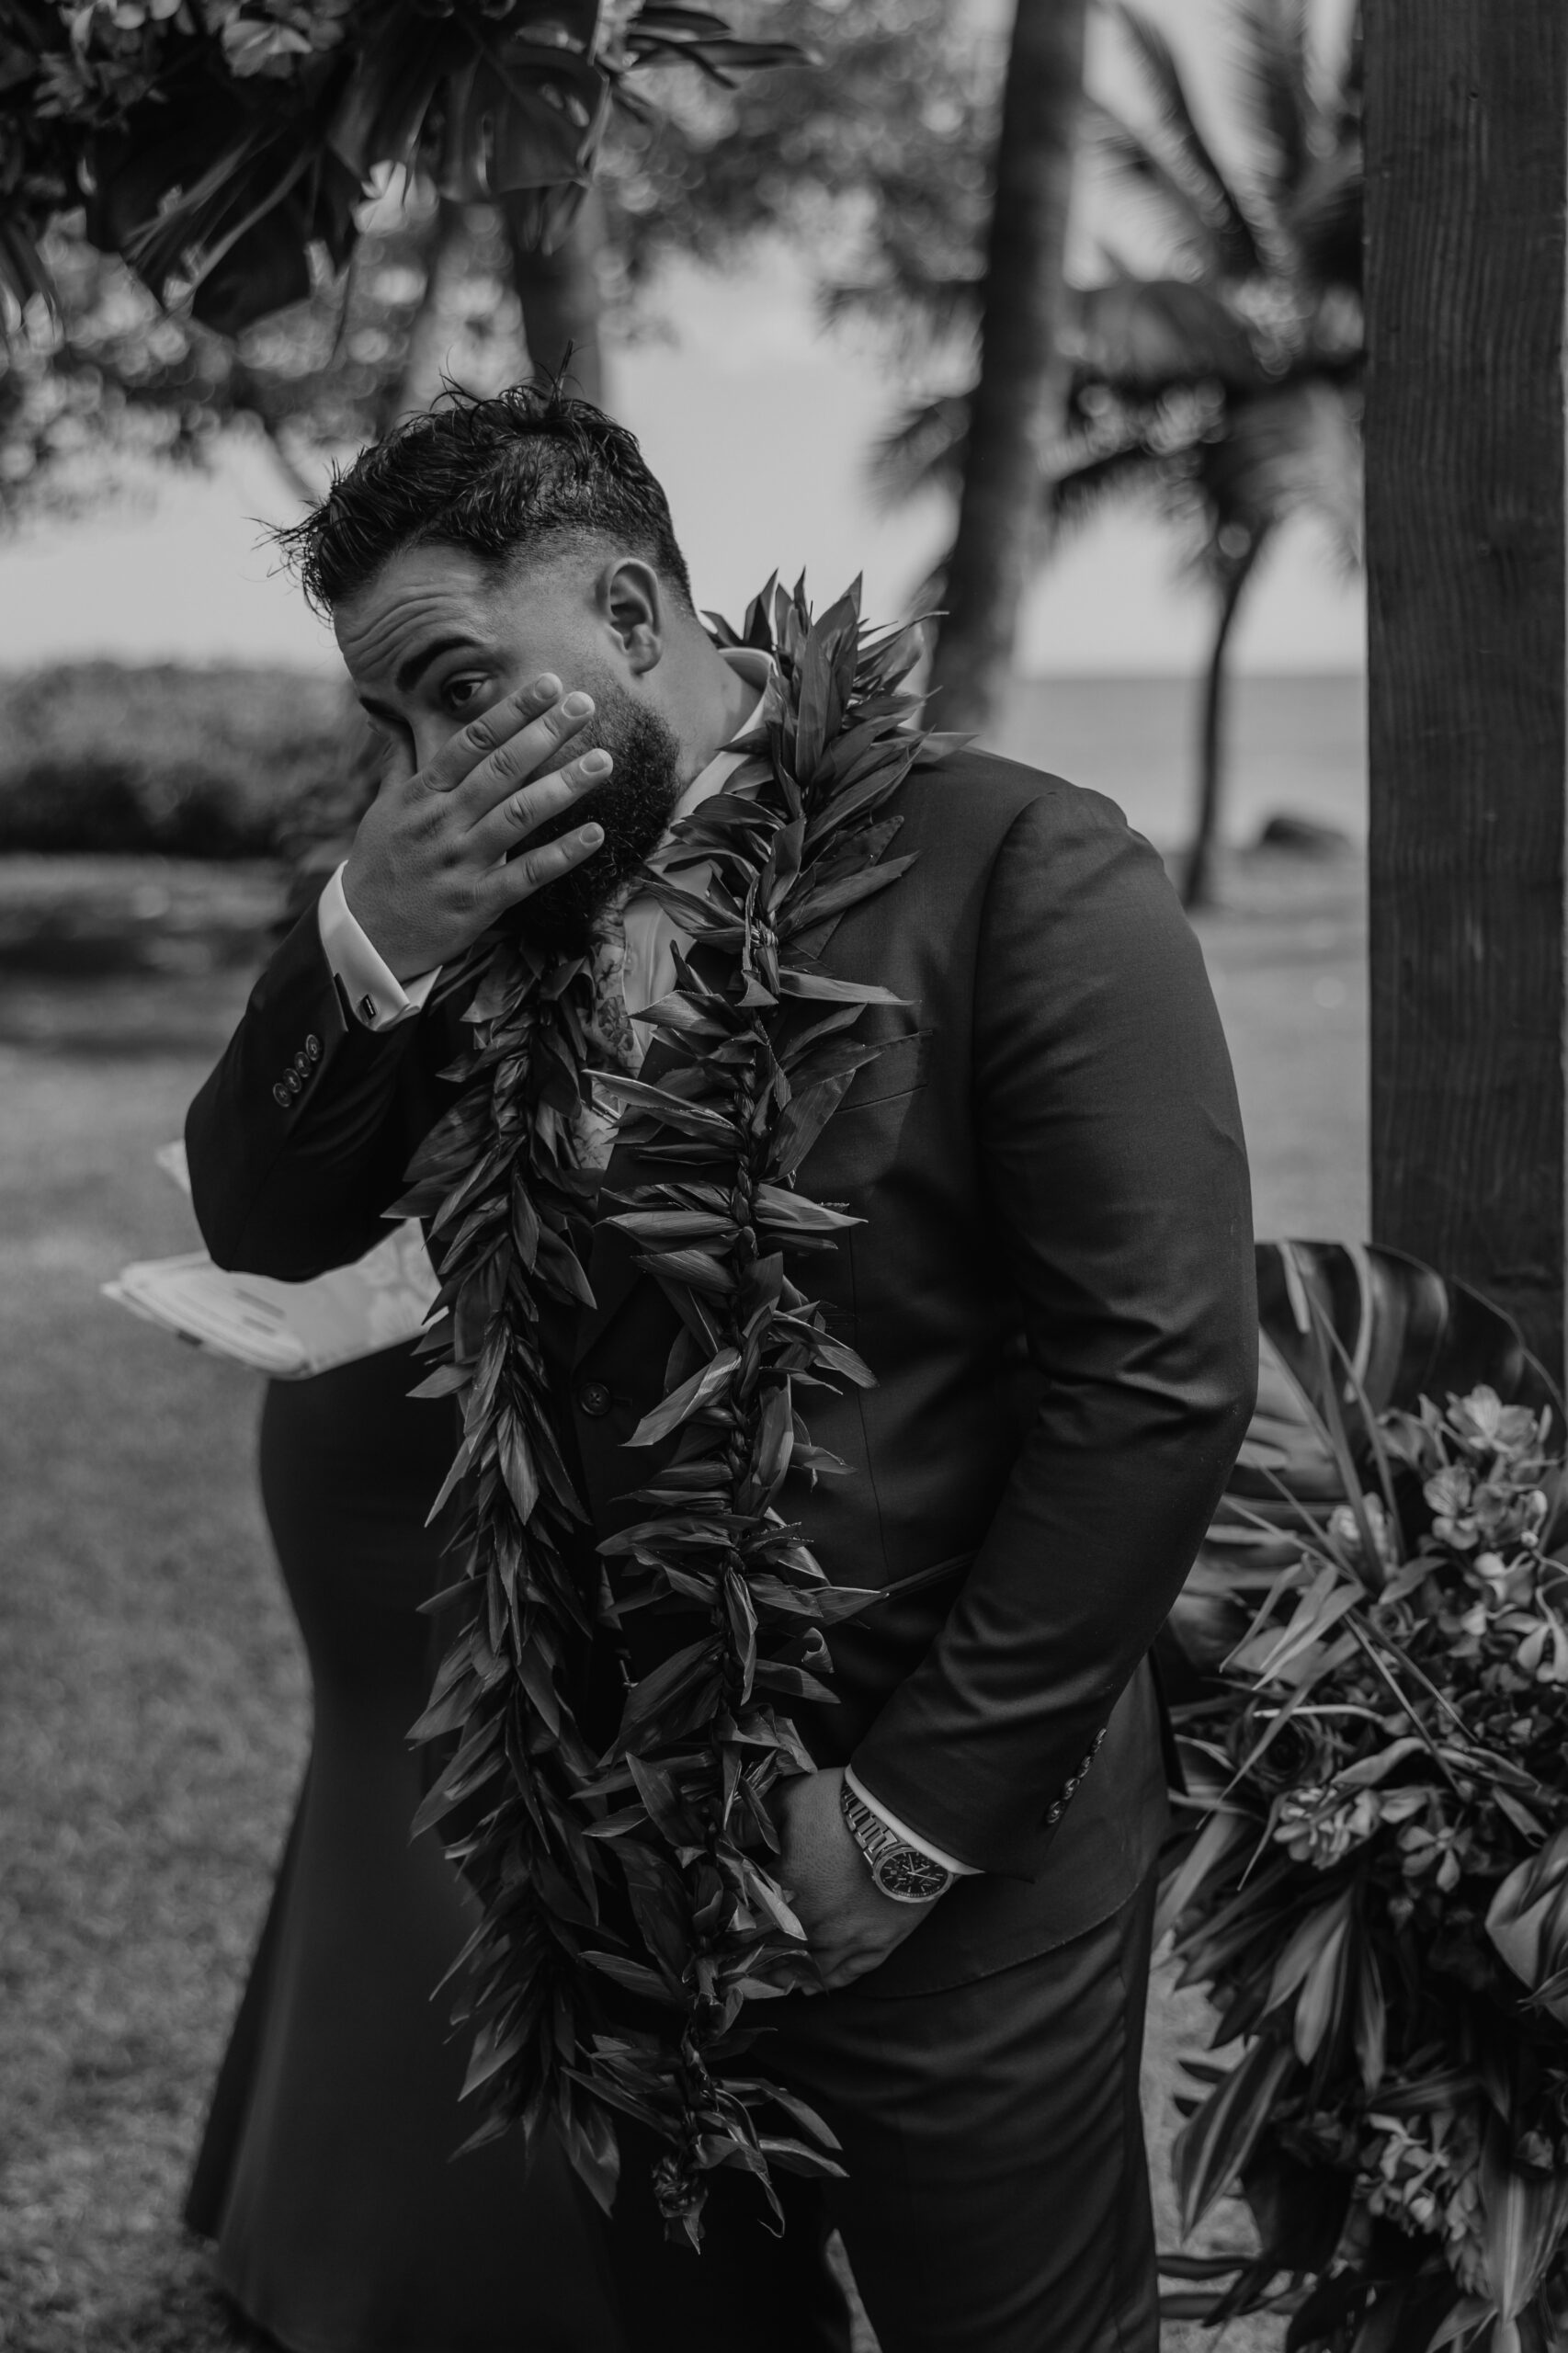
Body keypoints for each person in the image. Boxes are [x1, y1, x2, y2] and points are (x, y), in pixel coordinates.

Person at [184, 384, 1257, 2353]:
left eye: (451, 683)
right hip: (602, 1856)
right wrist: (369, 930)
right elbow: (261, 1216)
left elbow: (1155, 1382)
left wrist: (911, 1818)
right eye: (389, 721)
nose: (425, 761)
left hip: (952, 1851)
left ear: (622, 604)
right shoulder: (482, 894)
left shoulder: (1026, 869)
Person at [184, 1341, 626, 2353]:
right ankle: (451, 2277)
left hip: (526, 1391)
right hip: (420, 1385)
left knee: (413, 1765)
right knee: (405, 1767)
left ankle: (311, 2224)